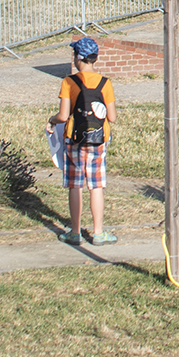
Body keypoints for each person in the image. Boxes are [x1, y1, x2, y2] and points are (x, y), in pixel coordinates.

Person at [49, 37, 118, 246]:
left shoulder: (69, 82)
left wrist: (51, 120)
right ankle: (98, 233)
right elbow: (112, 117)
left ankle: (75, 231)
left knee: (75, 185)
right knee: (96, 186)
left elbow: (63, 116)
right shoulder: (106, 83)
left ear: (78, 58)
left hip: (74, 140)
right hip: (98, 141)